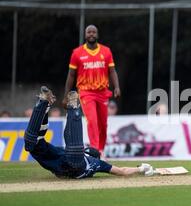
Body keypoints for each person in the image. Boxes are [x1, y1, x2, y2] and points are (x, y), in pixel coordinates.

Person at [24, 86, 155, 179]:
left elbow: (123, 171)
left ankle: (45, 104)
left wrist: (142, 168)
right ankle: (68, 108)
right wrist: (141, 169)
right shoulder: (97, 163)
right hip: (69, 163)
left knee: (32, 143)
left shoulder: (96, 162)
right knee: (33, 143)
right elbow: (122, 171)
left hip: (67, 163)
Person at [63, 25, 121, 155]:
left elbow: (112, 71)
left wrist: (116, 87)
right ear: (85, 34)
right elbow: (71, 75)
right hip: (86, 92)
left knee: (103, 124)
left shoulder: (106, 51)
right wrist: (66, 95)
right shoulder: (77, 53)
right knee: (92, 121)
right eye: (89, 32)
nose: (91, 34)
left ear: (97, 34)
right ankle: (95, 150)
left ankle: (100, 150)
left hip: (102, 92)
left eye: (94, 32)